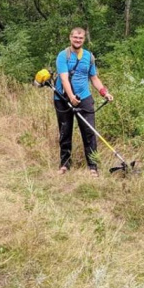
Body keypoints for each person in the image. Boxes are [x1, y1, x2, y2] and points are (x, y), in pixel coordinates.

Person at [54, 27, 114, 177]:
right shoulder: (63, 56)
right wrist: (71, 97)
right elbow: (64, 78)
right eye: (75, 37)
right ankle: (65, 164)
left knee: (89, 132)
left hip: (84, 97)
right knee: (65, 131)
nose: (77, 40)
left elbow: (94, 78)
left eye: (80, 38)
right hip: (63, 98)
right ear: (70, 38)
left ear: (84, 39)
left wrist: (104, 92)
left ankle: (93, 166)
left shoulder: (89, 56)